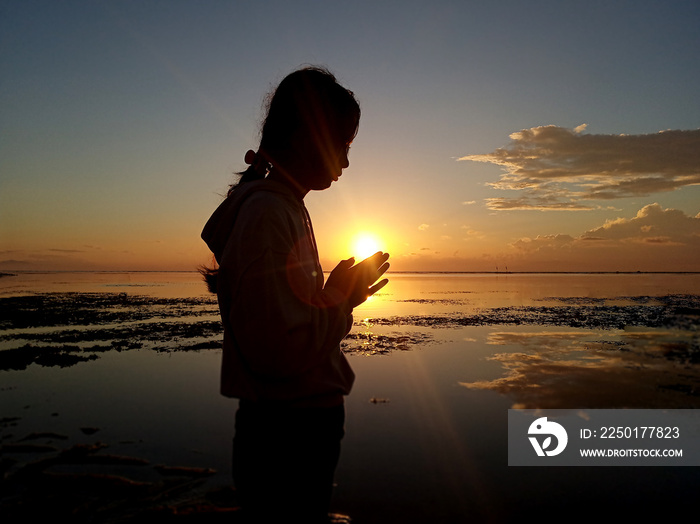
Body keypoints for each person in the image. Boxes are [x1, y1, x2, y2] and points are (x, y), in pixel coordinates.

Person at [200, 66, 389, 523]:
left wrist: (338, 293)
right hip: (287, 433)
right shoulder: (268, 214)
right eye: (342, 145)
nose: (345, 163)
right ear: (307, 135)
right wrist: (340, 298)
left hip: (294, 426)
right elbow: (276, 353)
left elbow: (285, 324)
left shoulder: (283, 207)